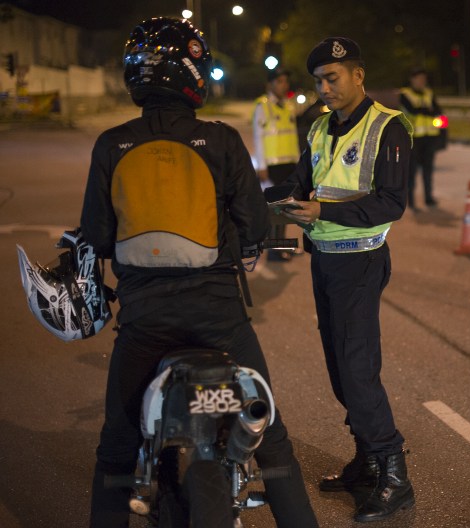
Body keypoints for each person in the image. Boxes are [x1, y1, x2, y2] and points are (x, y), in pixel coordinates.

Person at [79, 17, 318, 527]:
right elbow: (254, 225)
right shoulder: (221, 141)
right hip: (219, 317)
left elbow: (98, 237)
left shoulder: (111, 144)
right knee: (273, 444)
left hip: (144, 321)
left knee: (115, 452)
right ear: (190, 71)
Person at [280, 37, 416, 522]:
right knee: (340, 367)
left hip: (360, 261)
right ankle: (366, 461)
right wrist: (283, 203)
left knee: (357, 368)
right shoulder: (319, 126)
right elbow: (302, 181)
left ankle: (394, 475)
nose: (324, 88)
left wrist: (321, 209)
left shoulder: (389, 126)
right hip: (325, 260)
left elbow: (391, 202)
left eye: (332, 78)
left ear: (358, 75)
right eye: (318, 80)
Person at [252, 66, 302, 261]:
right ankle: (274, 251)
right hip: (272, 167)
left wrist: (299, 164)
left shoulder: (289, 106)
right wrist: (261, 166)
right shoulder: (262, 107)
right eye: (279, 81)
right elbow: (258, 137)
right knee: (275, 210)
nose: (284, 85)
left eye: (285, 81)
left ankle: (284, 246)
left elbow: (293, 137)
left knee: (287, 209)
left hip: (288, 165)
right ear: (269, 84)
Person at [399, 67, 443, 210]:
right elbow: (411, 110)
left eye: (424, 79)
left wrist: (426, 112)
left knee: (428, 169)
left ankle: (428, 198)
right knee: (412, 171)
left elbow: (438, 111)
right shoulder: (405, 94)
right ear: (412, 79)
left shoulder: (429, 93)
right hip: (413, 138)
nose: (421, 81)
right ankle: (411, 201)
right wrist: (427, 111)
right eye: (419, 78)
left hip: (430, 137)